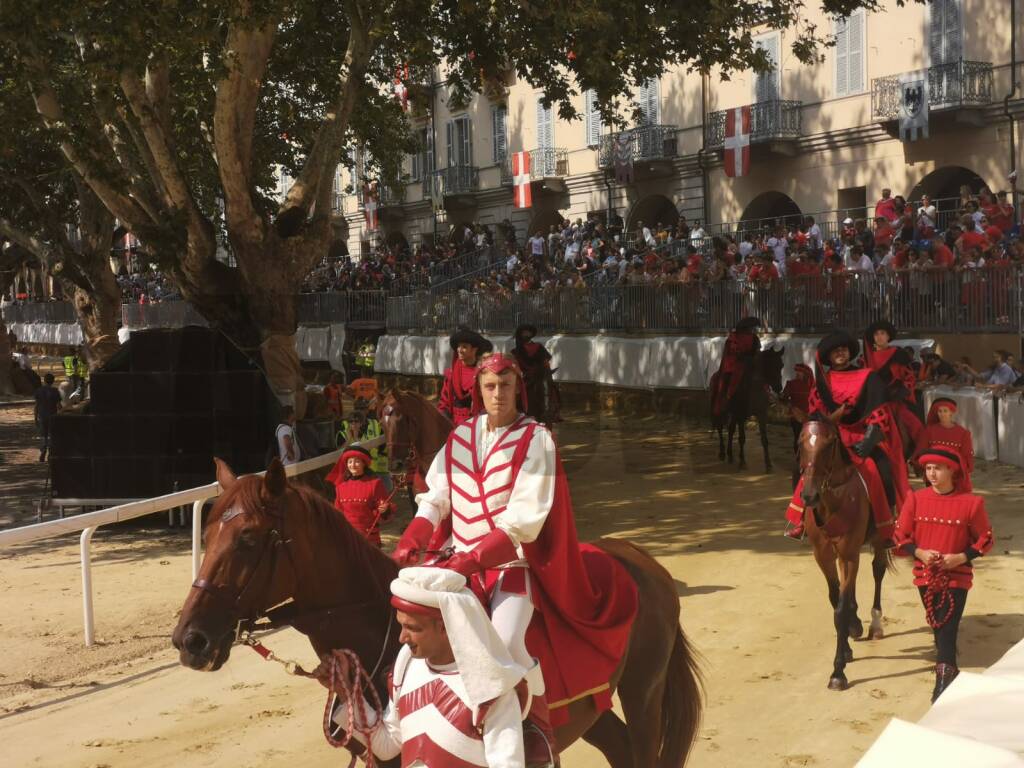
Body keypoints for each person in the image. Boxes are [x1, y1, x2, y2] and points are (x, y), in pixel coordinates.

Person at [392, 353, 637, 764]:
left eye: (505, 386)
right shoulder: (460, 437)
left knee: (504, 646)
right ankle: (399, 716)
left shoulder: (536, 438)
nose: (498, 394)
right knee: (410, 635)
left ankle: (535, 730)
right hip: (455, 566)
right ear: (479, 390)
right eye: (490, 386)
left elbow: (525, 519)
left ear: (517, 389)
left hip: (508, 568)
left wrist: (472, 560)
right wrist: (418, 530)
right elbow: (437, 495)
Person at [320, 567, 531, 767]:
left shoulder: (492, 690)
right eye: (401, 625)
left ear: (443, 627)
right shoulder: (407, 667)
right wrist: (347, 693)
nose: (402, 637)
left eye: (412, 628)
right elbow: (387, 746)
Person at [785, 331, 909, 542]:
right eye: (835, 351)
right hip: (831, 439)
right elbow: (816, 414)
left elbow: (880, 410)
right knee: (805, 468)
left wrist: (870, 439)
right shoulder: (822, 384)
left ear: (850, 352)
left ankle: (887, 525)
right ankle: (802, 521)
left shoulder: (869, 377)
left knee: (882, 470)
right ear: (829, 357)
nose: (840, 353)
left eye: (843, 349)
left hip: (863, 438)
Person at [893, 449, 994, 702]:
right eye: (928, 469)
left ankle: (943, 684)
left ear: (952, 470)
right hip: (924, 574)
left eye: (937, 468)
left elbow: (985, 539)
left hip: (957, 576)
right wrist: (920, 552)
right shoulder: (915, 499)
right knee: (937, 625)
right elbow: (899, 537)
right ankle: (951, 668)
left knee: (947, 627)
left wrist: (959, 558)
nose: (931, 473)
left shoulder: (972, 503)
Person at [861, 320, 924, 451]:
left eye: (882, 333)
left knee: (916, 426)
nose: (879, 337)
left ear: (888, 336)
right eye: (876, 334)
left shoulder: (898, 354)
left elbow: (910, 377)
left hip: (895, 400)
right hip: (874, 403)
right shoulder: (865, 358)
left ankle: (919, 458)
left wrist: (902, 390)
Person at [325, 445, 395, 547]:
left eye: (357, 461)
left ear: (364, 464)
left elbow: (385, 507)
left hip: (369, 538)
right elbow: (338, 512)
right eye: (350, 462)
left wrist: (385, 509)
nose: (352, 465)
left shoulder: (375, 484)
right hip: (348, 537)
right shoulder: (340, 486)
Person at [438, 328, 493, 425]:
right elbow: (445, 401)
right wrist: (443, 419)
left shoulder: (483, 374)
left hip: (477, 423)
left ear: (474, 350)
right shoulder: (451, 374)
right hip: (453, 424)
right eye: (458, 346)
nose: (460, 350)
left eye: (464, 347)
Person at [916, 399, 975, 487]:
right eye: (940, 411)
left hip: (953, 473)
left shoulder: (963, 433)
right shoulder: (929, 431)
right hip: (933, 473)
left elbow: (966, 455)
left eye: (945, 411)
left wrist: (959, 472)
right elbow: (922, 451)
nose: (942, 414)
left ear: (951, 413)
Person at [710, 317, 761, 417]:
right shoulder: (733, 338)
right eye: (751, 327)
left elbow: (757, 351)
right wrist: (743, 356)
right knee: (725, 382)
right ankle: (725, 401)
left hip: (750, 364)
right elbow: (731, 353)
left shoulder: (754, 338)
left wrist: (754, 357)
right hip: (734, 365)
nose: (752, 329)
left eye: (753, 328)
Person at [511, 324, 560, 424]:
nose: (526, 334)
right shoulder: (515, 351)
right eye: (524, 332)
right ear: (520, 334)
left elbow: (546, 363)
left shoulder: (539, 347)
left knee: (549, 390)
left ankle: (549, 412)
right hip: (524, 378)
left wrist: (547, 374)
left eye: (528, 332)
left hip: (540, 375)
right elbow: (514, 367)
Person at [33, 372, 62, 462]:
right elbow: (58, 405)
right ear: (53, 381)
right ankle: (50, 453)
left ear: (44, 381)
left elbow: (36, 405)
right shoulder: (55, 391)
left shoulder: (39, 391)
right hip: (52, 416)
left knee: (43, 435)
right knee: (51, 435)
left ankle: (43, 449)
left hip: (42, 416)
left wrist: (35, 417)